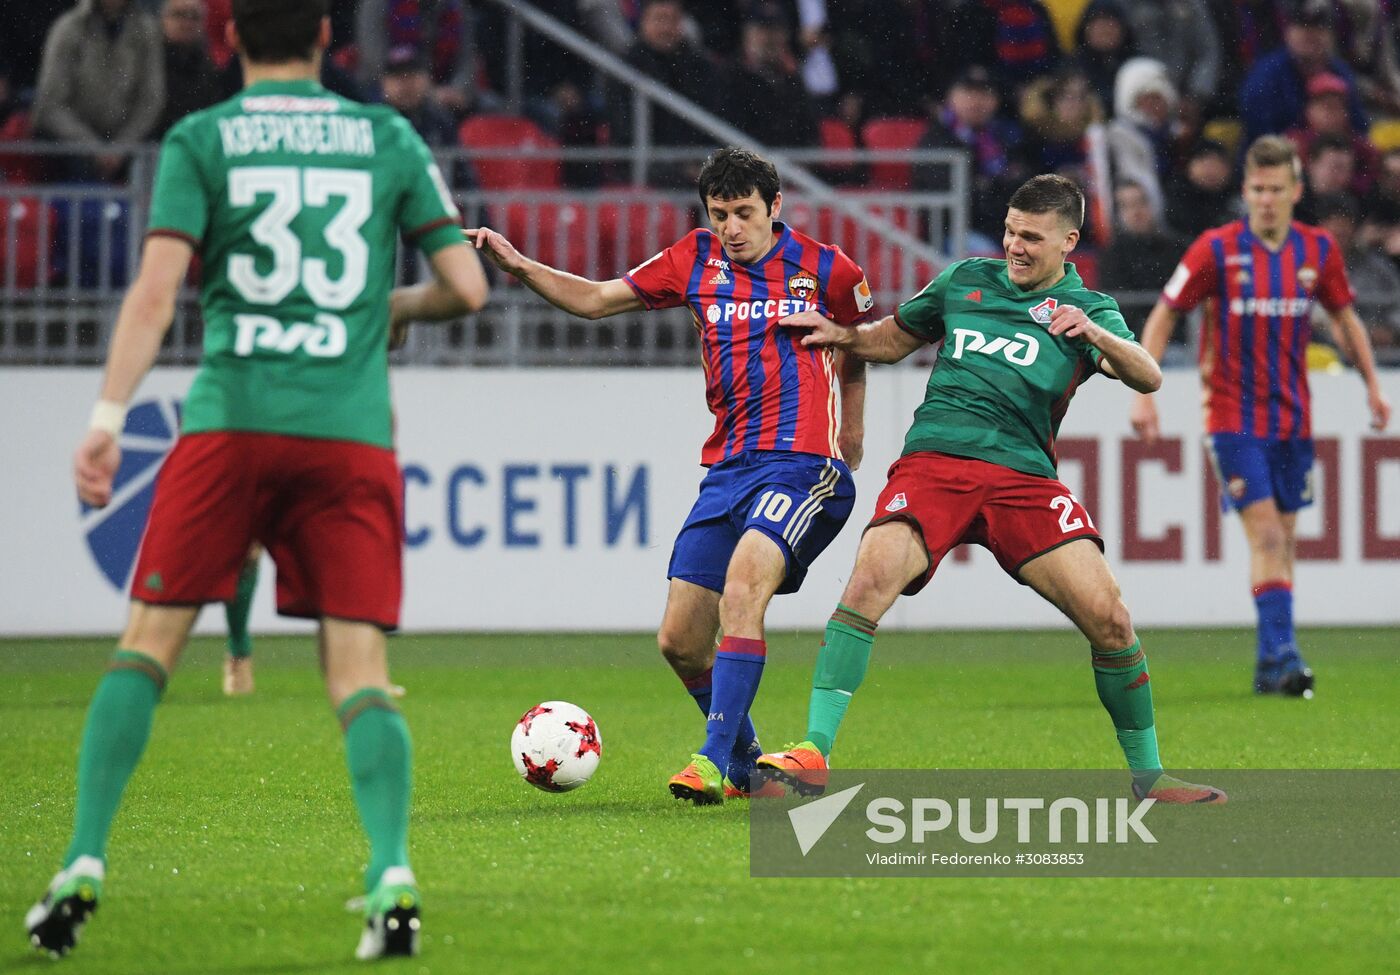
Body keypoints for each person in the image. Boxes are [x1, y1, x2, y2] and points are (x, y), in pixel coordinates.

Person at [24, 0, 489, 960]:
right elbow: (466, 289)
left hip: (232, 420)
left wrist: (108, 420)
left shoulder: (202, 138)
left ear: (230, 42)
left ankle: (81, 861)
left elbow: (155, 293)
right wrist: (380, 309)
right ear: (327, 37)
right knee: (360, 673)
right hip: (347, 432)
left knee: (145, 648)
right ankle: (392, 871)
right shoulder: (386, 135)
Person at [758, 173, 1226, 805]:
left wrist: (1093, 334)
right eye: (1010, 231)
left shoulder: (1089, 311)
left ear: (1069, 240)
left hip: (1024, 479)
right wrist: (845, 336)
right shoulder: (964, 281)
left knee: (1112, 621)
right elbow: (894, 337)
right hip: (935, 464)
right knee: (868, 583)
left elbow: (1147, 377)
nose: (1015, 246)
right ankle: (813, 751)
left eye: (1031, 236)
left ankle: (1149, 778)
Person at [469, 147, 873, 806]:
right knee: (681, 640)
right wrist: (519, 265)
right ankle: (747, 766)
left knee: (743, 589)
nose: (732, 228)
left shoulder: (828, 269)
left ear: (775, 208)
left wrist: (850, 429)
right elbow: (599, 300)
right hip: (727, 469)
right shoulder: (694, 258)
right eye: (720, 215)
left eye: (745, 213)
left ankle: (710, 758)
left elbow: (861, 344)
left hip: (804, 465)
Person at [1130, 135, 1390, 696]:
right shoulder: (1216, 249)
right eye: (1257, 189)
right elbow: (1163, 317)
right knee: (1269, 536)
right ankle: (1286, 656)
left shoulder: (1317, 250)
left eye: (1276, 189)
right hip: (1231, 418)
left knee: (1284, 542)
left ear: (1297, 191)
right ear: (1245, 191)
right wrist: (1143, 389)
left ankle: (1270, 666)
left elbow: (1345, 321)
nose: (1266, 199)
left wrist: (1372, 385)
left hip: (1293, 421)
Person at [31, 0, 165, 181]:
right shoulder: (68, 28)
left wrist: (120, 147)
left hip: (128, 147)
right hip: (70, 146)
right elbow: (50, 104)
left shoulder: (147, 30)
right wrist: (94, 148)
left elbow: (151, 99)